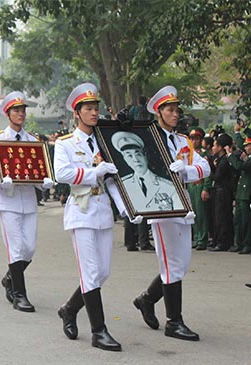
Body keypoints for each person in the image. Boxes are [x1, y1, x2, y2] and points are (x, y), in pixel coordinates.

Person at [54, 83, 134, 352]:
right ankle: (99, 331)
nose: (94, 113)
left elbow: (111, 180)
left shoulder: (103, 142)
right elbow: (62, 174)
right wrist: (94, 172)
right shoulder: (65, 143)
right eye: (88, 109)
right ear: (77, 113)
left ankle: (69, 308)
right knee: (89, 272)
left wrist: (126, 207)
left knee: (102, 272)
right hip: (81, 210)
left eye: (96, 108)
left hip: (102, 211)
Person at [133, 85, 210, 342]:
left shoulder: (182, 141)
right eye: (169, 109)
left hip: (183, 207)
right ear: (159, 112)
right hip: (161, 206)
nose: (175, 114)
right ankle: (173, 322)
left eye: (177, 109)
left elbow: (204, 167)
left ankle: (147, 299)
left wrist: (186, 171)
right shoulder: (148, 140)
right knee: (171, 265)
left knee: (182, 264)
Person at [0, 91, 54, 312]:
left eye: (23, 110)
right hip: (8, 201)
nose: (21, 114)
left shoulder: (33, 140)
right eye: (16, 110)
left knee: (29, 249)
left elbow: (39, 171)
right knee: (16, 248)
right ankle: (19, 296)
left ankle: (9, 278)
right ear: (8, 114)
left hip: (28, 201)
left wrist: (46, 182)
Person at [111, 131, 182, 212]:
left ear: (145, 155)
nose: (135, 160)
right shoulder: (123, 185)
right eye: (129, 156)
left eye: (138, 154)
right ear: (125, 159)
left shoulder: (169, 186)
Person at [208, 133, 235, 252]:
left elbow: (217, 177)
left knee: (222, 217)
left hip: (222, 191)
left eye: (215, 145)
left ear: (221, 147)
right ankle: (217, 239)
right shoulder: (219, 160)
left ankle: (223, 242)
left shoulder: (224, 161)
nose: (213, 148)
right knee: (216, 216)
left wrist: (209, 169)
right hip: (218, 191)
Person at [226, 133, 251, 254]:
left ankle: (247, 244)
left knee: (246, 221)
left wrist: (230, 155)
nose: (246, 148)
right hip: (242, 194)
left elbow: (239, 166)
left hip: (247, 194)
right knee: (238, 220)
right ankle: (240, 243)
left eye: (248, 145)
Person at [187, 128, 211, 250]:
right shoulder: (188, 154)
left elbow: (207, 174)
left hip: (199, 185)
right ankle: (196, 237)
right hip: (190, 186)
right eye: (192, 139)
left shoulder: (203, 155)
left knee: (201, 214)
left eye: (196, 139)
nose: (194, 141)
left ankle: (202, 238)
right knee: (193, 214)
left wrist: (206, 188)